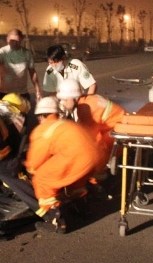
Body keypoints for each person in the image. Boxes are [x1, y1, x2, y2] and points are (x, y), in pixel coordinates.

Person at [25, 96, 103, 233]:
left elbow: (36, 160)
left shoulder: (43, 129)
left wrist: (29, 169)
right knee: (76, 181)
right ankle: (83, 208)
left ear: (41, 116)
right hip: (96, 156)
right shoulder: (66, 124)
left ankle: (55, 221)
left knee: (42, 179)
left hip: (78, 157)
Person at [56, 78, 126, 183]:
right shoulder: (87, 101)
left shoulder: (85, 109)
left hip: (119, 131)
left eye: (65, 100)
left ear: (74, 98)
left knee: (93, 153)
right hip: (117, 127)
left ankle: (99, 182)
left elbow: (89, 136)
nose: (63, 103)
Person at [0, 29, 42, 102]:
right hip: (5, 93)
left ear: (21, 39)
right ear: (7, 39)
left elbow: (32, 71)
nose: (14, 43)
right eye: (12, 41)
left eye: (17, 41)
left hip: (22, 93)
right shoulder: (2, 52)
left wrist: (37, 89)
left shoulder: (27, 53)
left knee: (23, 113)